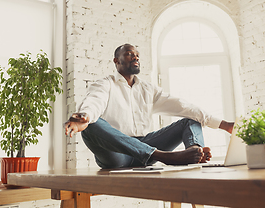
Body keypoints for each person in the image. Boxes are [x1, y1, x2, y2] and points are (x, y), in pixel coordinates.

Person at [64, 43, 234, 169]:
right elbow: (94, 101)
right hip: (116, 154)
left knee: (191, 119)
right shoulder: (105, 84)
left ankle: (194, 154)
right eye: (130, 54)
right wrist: (84, 117)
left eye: (137, 55)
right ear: (116, 61)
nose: (136, 57)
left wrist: (224, 125)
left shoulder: (148, 89)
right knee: (92, 125)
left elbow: (182, 106)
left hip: (146, 143)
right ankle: (162, 156)